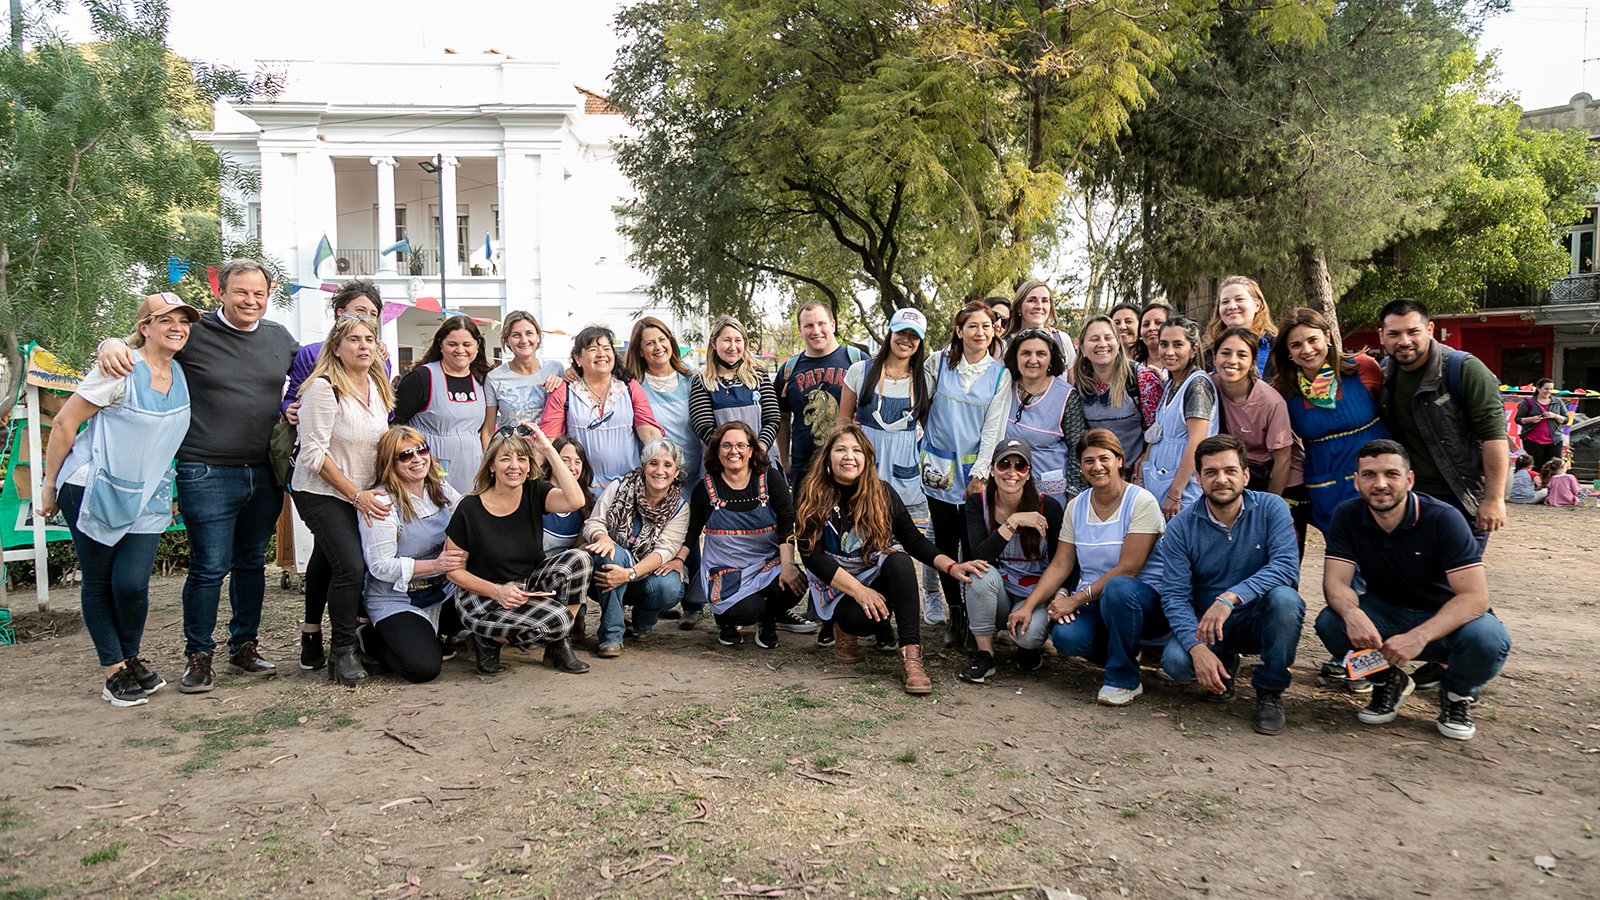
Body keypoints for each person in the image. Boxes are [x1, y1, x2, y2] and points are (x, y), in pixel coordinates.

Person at [97, 259, 299, 693]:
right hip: (205, 468)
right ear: (220, 293)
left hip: (264, 471)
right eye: (241, 292)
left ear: (269, 294)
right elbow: (144, 342)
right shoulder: (194, 332)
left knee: (251, 565)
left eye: (259, 293)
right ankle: (199, 656)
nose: (250, 301)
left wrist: (294, 406)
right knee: (209, 567)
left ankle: (243, 645)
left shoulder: (279, 338)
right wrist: (109, 341)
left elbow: (313, 371)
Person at [42, 293, 197, 707]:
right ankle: (114, 670)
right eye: (166, 320)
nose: (177, 327)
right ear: (145, 328)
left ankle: (129, 657)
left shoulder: (183, 372)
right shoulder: (119, 369)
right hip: (94, 488)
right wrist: (49, 485)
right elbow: (64, 421)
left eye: (183, 321)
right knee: (99, 582)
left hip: (149, 495)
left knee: (131, 584)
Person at [1316, 440, 1511, 740]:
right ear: (1356, 482)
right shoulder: (1347, 514)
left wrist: (1419, 637)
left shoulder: (1443, 518)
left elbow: (1475, 597)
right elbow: (1337, 582)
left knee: (1489, 639)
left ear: (1409, 480)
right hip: (1388, 612)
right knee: (1331, 622)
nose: (1380, 484)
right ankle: (1388, 681)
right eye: (1369, 475)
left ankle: (1458, 695)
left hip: (1445, 618)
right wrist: (1352, 613)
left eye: (1391, 474)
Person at [796, 426, 984, 694]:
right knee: (859, 622)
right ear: (827, 457)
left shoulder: (882, 493)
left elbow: (914, 541)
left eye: (856, 450)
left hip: (872, 572)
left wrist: (952, 566)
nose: (849, 456)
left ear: (867, 459)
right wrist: (860, 592)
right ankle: (840, 626)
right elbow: (811, 557)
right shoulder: (812, 493)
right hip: (836, 583)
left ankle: (911, 656)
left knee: (900, 560)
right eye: (840, 449)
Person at [1159, 435, 1305, 736]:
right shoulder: (1180, 528)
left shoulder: (1272, 508)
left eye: (1230, 471)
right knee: (1177, 662)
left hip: (1257, 617)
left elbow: (1286, 567)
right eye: (1211, 472)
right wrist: (1196, 647)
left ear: (1246, 475)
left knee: (1286, 600)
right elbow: (1174, 595)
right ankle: (1222, 663)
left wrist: (1230, 597)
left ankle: (1270, 691)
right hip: (1209, 626)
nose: (1221, 479)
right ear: (1198, 478)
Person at [1009, 429, 1168, 705]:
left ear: (1120, 460)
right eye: (1088, 461)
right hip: (1095, 599)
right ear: (1080, 467)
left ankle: (1123, 679)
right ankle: (1124, 649)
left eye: (1104, 458)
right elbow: (1061, 564)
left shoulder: (1141, 502)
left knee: (1119, 588)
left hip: (1141, 600)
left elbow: (1129, 568)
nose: (1097, 467)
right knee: (1067, 637)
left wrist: (1074, 600)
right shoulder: (1077, 506)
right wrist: (1028, 605)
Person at [281, 280, 386, 672]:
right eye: (354, 339)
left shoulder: (377, 388)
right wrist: (357, 496)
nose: (363, 345)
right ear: (336, 347)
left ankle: (313, 636)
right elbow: (313, 455)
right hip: (322, 490)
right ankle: (342, 650)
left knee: (329, 559)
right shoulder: (323, 389)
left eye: (369, 339)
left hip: (361, 489)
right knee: (351, 565)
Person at [442, 426, 593, 675]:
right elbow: (454, 572)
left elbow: (576, 501)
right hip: (481, 595)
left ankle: (558, 642)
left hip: (526, 585)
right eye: (505, 458)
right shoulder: (468, 508)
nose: (515, 466)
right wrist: (497, 591)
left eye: (521, 459)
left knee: (580, 559)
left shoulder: (534, 491)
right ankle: (488, 640)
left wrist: (548, 450)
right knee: (559, 619)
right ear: (491, 465)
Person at [1377, 299, 1509, 552]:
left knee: (1456, 581)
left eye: (1413, 331)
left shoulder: (1464, 370)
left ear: (1430, 330)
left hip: (1459, 497)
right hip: (1408, 498)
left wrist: (1494, 499)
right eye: (1394, 334)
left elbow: (1495, 438)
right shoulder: (1384, 373)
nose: (1404, 341)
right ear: (1381, 336)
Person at [837, 307, 943, 624]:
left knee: (910, 538)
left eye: (913, 336)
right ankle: (868, 608)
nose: (906, 340)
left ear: (920, 341)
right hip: (866, 460)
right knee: (863, 535)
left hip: (906, 466)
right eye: (901, 333)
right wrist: (847, 455)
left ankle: (931, 596)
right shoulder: (860, 371)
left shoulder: (925, 379)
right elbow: (843, 420)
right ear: (890, 333)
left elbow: (930, 427)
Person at [921, 301, 1012, 648]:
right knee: (945, 542)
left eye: (987, 327)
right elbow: (919, 401)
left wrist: (982, 473)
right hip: (939, 469)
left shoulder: (1000, 375)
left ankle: (979, 621)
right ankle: (955, 614)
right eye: (972, 326)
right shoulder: (939, 364)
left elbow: (994, 429)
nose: (980, 333)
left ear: (995, 331)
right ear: (959, 331)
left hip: (976, 473)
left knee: (974, 545)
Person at [355, 426, 464, 684]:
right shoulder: (382, 502)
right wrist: (436, 564)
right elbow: (380, 566)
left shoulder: (441, 488)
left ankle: (434, 632)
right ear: (389, 463)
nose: (417, 459)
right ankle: (372, 638)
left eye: (421, 450)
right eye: (405, 455)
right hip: (397, 597)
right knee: (424, 668)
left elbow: (467, 517)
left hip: (443, 591)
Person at [687, 422, 808, 648]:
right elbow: (691, 532)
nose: (734, 451)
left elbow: (786, 522)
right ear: (716, 451)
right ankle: (725, 620)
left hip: (766, 564)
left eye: (741, 445)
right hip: (725, 570)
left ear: (751, 450)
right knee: (748, 610)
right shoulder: (704, 488)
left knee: (795, 584)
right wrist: (676, 561)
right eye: (726, 446)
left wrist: (788, 565)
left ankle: (768, 619)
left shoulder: (770, 478)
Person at [1270, 308, 1389, 535]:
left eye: (1312, 339)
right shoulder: (1283, 391)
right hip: (1325, 483)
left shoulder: (1363, 367)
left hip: (1376, 473)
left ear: (1327, 336)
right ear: (1288, 351)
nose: (1306, 350)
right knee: (1346, 552)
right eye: (1296, 345)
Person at [956, 441, 1064, 683]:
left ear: (1028, 473)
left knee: (1028, 636)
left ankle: (1027, 647)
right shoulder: (977, 503)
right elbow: (980, 555)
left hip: (1034, 592)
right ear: (993, 469)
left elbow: (1061, 562)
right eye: (1004, 464)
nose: (1011, 472)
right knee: (978, 572)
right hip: (998, 592)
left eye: (1020, 466)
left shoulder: (1050, 507)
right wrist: (1012, 522)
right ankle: (985, 654)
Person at [581, 438, 692, 658]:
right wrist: (602, 536)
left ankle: (643, 621)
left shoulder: (680, 508)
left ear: (676, 472)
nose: (660, 471)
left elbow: (664, 551)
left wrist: (629, 574)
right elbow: (594, 522)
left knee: (670, 586)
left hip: (642, 575)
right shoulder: (619, 487)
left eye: (667, 465)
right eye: (653, 463)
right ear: (644, 466)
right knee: (611, 553)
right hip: (607, 574)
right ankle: (611, 636)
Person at [1211, 326, 1310, 554]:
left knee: (1276, 550)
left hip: (1280, 481)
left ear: (1254, 361)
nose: (1232, 361)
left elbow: (1283, 461)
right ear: (1214, 356)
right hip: (1241, 475)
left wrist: (1268, 507)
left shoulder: (1270, 402)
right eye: (1225, 353)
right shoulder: (1209, 386)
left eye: (1242, 355)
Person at [540, 325, 663, 491]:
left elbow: (648, 433)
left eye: (606, 348)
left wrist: (662, 464)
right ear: (578, 358)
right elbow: (549, 441)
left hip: (628, 488)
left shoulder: (629, 387)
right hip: (580, 488)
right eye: (592, 349)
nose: (601, 354)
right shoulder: (564, 391)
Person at [394, 316, 490, 495]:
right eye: (452, 344)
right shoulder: (421, 378)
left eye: (467, 344)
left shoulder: (483, 379)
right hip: (429, 470)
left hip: (473, 469)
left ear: (477, 346)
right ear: (441, 345)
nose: (460, 350)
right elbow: (394, 427)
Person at [775, 300, 866, 489]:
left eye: (821, 323)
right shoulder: (788, 370)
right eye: (808, 325)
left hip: (851, 466)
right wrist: (784, 460)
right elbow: (782, 418)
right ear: (800, 330)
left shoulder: (858, 361)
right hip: (806, 468)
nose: (816, 331)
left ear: (832, 324)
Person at [1140, 315, 1219, 520]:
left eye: (1178, 345)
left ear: (1193, 349)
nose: (1169, 352)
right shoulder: (1171, 384)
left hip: (1183, 489)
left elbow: (1196, 442)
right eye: (1164, 344)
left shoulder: (1197, 385)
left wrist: (1175, 493)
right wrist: (1144, 465)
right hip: (1162, 480)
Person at [1003, 328, 1088, 508]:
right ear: (1015, 357)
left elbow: (1077, 448)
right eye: (1026, 353)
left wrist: (1073, 496)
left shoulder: (1065, 395)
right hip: (1008, 487)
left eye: (1041, 353)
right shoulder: (1004, 387)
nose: (1033, 360)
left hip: (1050, 494)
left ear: (1050, 358)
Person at [1074, 315, 1162, 478]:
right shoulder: (1079, 384)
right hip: (1098, 476)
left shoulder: (1142, 379)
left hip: (1137, 476)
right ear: (1082, 348)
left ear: (1118, 343)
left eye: (1108, 338)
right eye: (1094, 339)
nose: (1102, 344)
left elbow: (1158, 430)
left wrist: (1146, 459)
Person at [623, 316, 703, 484]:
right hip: (659, 478)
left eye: (662, 339)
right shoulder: (633, 385)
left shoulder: (691, 375)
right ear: (639, 350)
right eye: (650, 343)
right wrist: (573, 371)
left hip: (697, 473)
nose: (658, 347)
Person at [283, 280, 385, 412]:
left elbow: (386, 405)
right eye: (360, 310)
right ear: (340, 312)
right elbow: (291, 397)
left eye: (373, 314)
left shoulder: (381, 358)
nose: (366, 317)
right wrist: (287, 409)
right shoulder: (311, 354)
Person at [690, 316, 780, 454]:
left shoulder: (759, 377)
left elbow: (772, 420)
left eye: (738, 340)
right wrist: (731, 453)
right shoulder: (703, 382)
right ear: (714, 343)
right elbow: (704, 427)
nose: (733, 347)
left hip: (759, 458)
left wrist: (757, 450)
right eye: (726, 340)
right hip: (721, 461)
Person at [480, 310, 567, 442]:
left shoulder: (555, 369)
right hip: (512, 451)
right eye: (516, 335)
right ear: (507, 341)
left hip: (549, 450)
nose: (524, 340)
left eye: (529, 333)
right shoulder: (495, 378)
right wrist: (488, 460)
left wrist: (565, 378)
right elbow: (488, 429)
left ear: (538, 337)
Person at [1203, 276, 1277, 377]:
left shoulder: (1277, 348)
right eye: (1225, 302)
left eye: (1240, 299)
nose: (1232, 306)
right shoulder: (1207, 353)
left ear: (1258, 305)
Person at [1002, 279, 1076, 368]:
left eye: (1044, 301)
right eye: (1032, 300)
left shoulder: (1063, 340)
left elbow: (1071, 380)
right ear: (1018, 307)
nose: (1039, 306)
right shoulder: (1003, 346)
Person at [544, 437, 595, 554]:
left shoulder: (586, 504)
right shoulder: (536, 493)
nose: (572, 467)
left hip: (559, 566)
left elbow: (576, 548)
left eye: (577, 462)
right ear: (552, 462)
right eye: (565, 460)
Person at [1514, 378, 1566, 473]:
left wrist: (1554, 415)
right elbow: (1518, 419)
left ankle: (1554, 486)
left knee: (1555, 467)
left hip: (1554, 440)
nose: (1548, 391)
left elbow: (1566, 419)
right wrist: (1532, 419)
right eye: (1546, 389)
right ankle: (1536, 485)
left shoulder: (1558, 402)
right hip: (1533, 441)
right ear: (1538, 388)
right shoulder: (1528, 402)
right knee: (1535, 467)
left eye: (1551, 389)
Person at [1137, 301, 1173, 369]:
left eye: (1158, 323)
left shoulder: (1182, 366)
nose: (1151, 328)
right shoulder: (1134, 367)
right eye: (1146, 324)